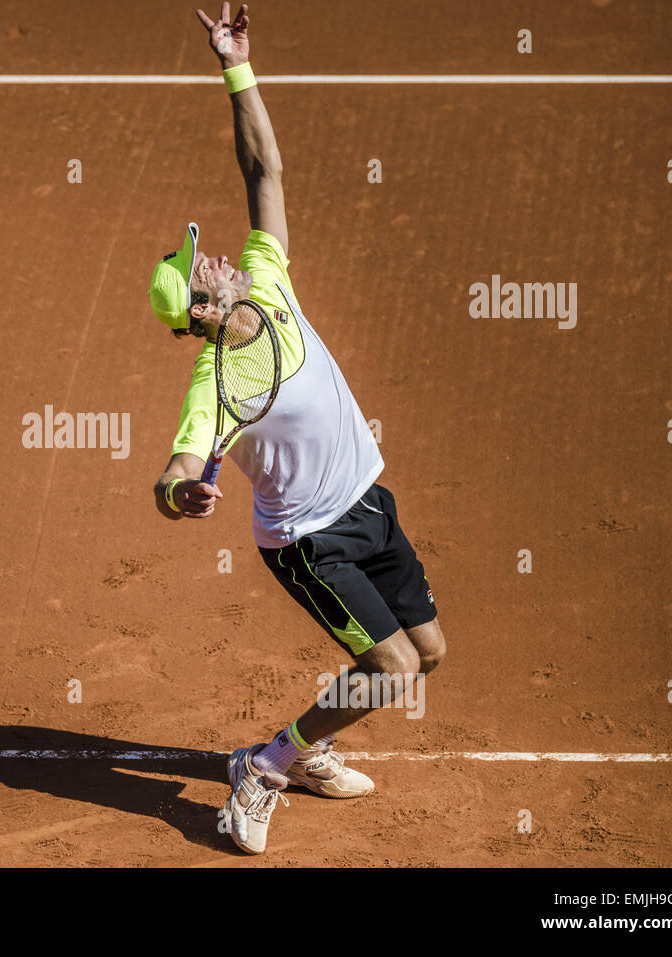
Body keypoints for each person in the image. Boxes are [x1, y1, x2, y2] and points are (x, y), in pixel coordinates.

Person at [147, 3, 447, 855]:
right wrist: (181, 494)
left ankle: (308, 745)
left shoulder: (266, 279)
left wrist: (234, 66)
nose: (211, 259)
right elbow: (174, 469)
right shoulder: (215, 386)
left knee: (427, 654)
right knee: (389, 671)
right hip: (311, 542)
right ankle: (268, 764)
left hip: (369, 503)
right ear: (202, 313)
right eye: (198, 270)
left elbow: (264, 167)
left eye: (201, 254)